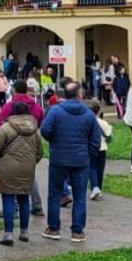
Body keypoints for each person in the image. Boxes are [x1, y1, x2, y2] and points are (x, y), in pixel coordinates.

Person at [40, 81, 101, 242]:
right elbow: (96, 138)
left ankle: (53, 228)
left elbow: (45, 130)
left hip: (58, 158)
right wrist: (88, 154)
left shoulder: (55, 112)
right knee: (80, 195)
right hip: (81, 160)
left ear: (64, 95)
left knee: (54, 193)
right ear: (79, 94)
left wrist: (54, 142)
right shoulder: (88, 114)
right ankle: (77, 231)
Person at [0, 102, 41, 246]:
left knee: (8, 199)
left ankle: (8, 234)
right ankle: (24, 232)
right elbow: (40, 152)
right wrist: (30, 162)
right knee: (24, 199)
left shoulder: (6, 128)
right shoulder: (35, 130)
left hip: (7, 167)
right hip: (27, 168)